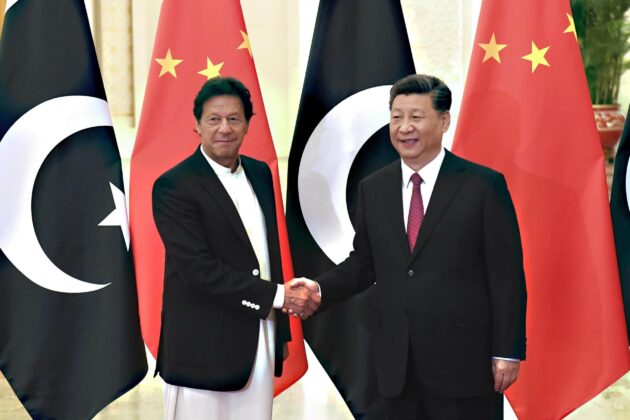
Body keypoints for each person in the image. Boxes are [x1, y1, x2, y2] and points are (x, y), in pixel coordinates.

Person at [291, 74, 527, 420]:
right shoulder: (374, 188)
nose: (404, 128)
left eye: (416, 117)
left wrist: (506, 350)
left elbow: (506, 276)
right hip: (396, 364)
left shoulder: (482, 186)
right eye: (396, 117)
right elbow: (364, 263)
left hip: (464, 363)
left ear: (443, 121)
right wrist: (319, 288)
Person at [152, 76, 319, 420]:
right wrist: (279, 297)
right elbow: (198, 271)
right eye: (214, 119)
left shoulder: (260, 173)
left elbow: (268, 255)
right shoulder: (174, 185)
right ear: (197, 124)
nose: (224, 128)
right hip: (201, 347)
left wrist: (281, 332)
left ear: (247, 125)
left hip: (259, 337)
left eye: (234, 119)